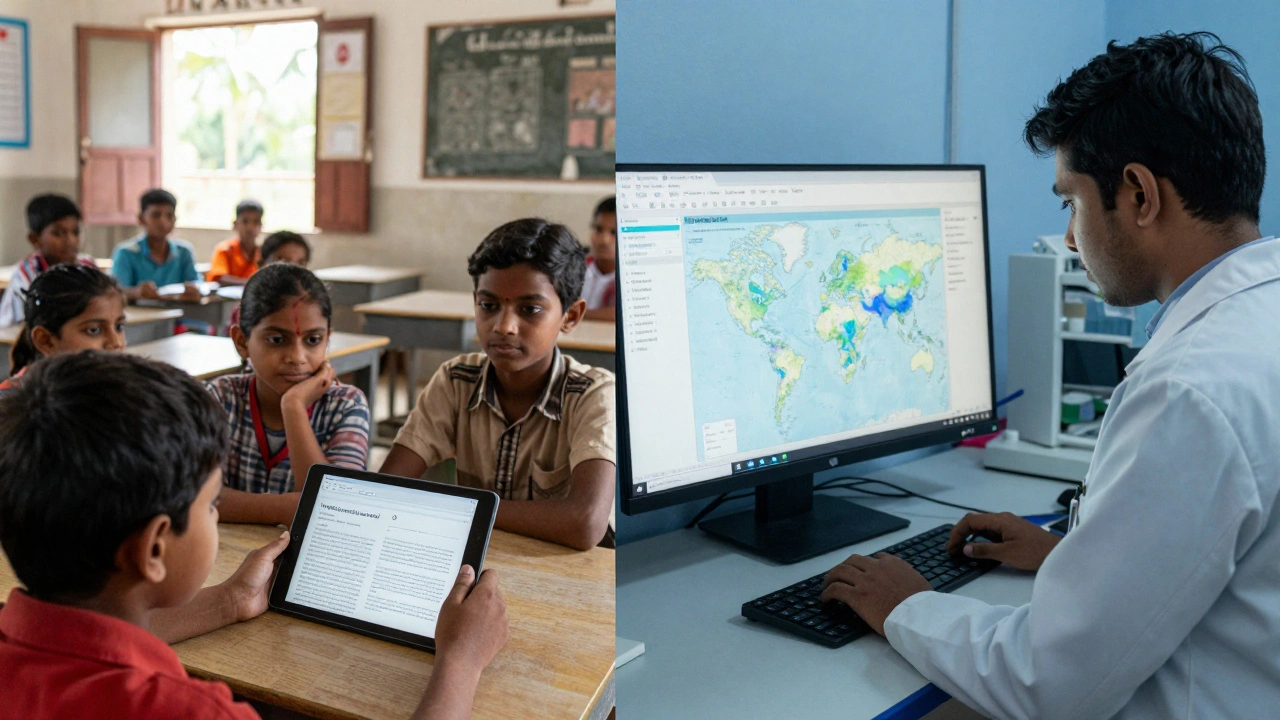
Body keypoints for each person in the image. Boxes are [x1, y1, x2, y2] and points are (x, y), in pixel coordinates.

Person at [820, 32, 1280, 719]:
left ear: (1139, 195)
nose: (1069, 237)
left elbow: (1049, 682)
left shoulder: (1188, 390)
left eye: (1071, 202)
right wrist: (1074, 556)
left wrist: (906, 607)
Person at [0, 352, 509, 720]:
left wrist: (229, 600)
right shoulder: (190, 711)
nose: (217, 515)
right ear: (155, 548)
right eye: (212, 504)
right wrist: (460, 664)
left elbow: (88, 641)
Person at [380, 218, 616, 550]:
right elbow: (386, 490)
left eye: (530, 309)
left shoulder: (592, 394)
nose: (504, 326)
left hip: (563, 575)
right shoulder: (456, 381)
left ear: (571, 317)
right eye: (488, 306)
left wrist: (459, 507)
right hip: (479, 561)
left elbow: (585, 523)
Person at [208, 263, 369, 526]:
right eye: (276, 340)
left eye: (313, 340)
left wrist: (293, 407)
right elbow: (191, 497)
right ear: (242, 342)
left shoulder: (346, 405)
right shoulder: (221, 398)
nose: (297, 358)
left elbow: (336, 512)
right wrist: (283, 508)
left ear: (327, 339)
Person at [1, 264, 126, 394]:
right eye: (94, 330)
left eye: (119, 327)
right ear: (46, 341)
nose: (116, 342)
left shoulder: (122, 390)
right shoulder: (12, 406)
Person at [0, 193, 97, 326]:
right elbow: (24, 327)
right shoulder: (27, 274)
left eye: (75, 232)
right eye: (58, 233)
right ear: (35, 239)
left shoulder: (86, 266)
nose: (71, 241)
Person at [111, 189, 201, 302]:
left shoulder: (184, 252)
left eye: (169, 215)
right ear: (141, 218)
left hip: (179, 315)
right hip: (142, 317)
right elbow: (117, 292)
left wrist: (193, 290)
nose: (163, 221)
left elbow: (196, 283)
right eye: (156, 215)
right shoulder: (126, 252)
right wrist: (137, 292)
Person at [207, 199, 263, 286]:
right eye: (245, 221)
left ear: (261, 226)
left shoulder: (263, 252)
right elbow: (219, 277)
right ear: (235, 224)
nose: (250, 227)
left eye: (256, 222)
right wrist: (251, 283)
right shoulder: (225, 249)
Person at [582, 197, 616, 321]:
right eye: (598, 229)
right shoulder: (577, 268)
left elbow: (619, 315)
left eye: (614, 233)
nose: (604, 240)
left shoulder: (633, 278)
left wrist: (574, 314)